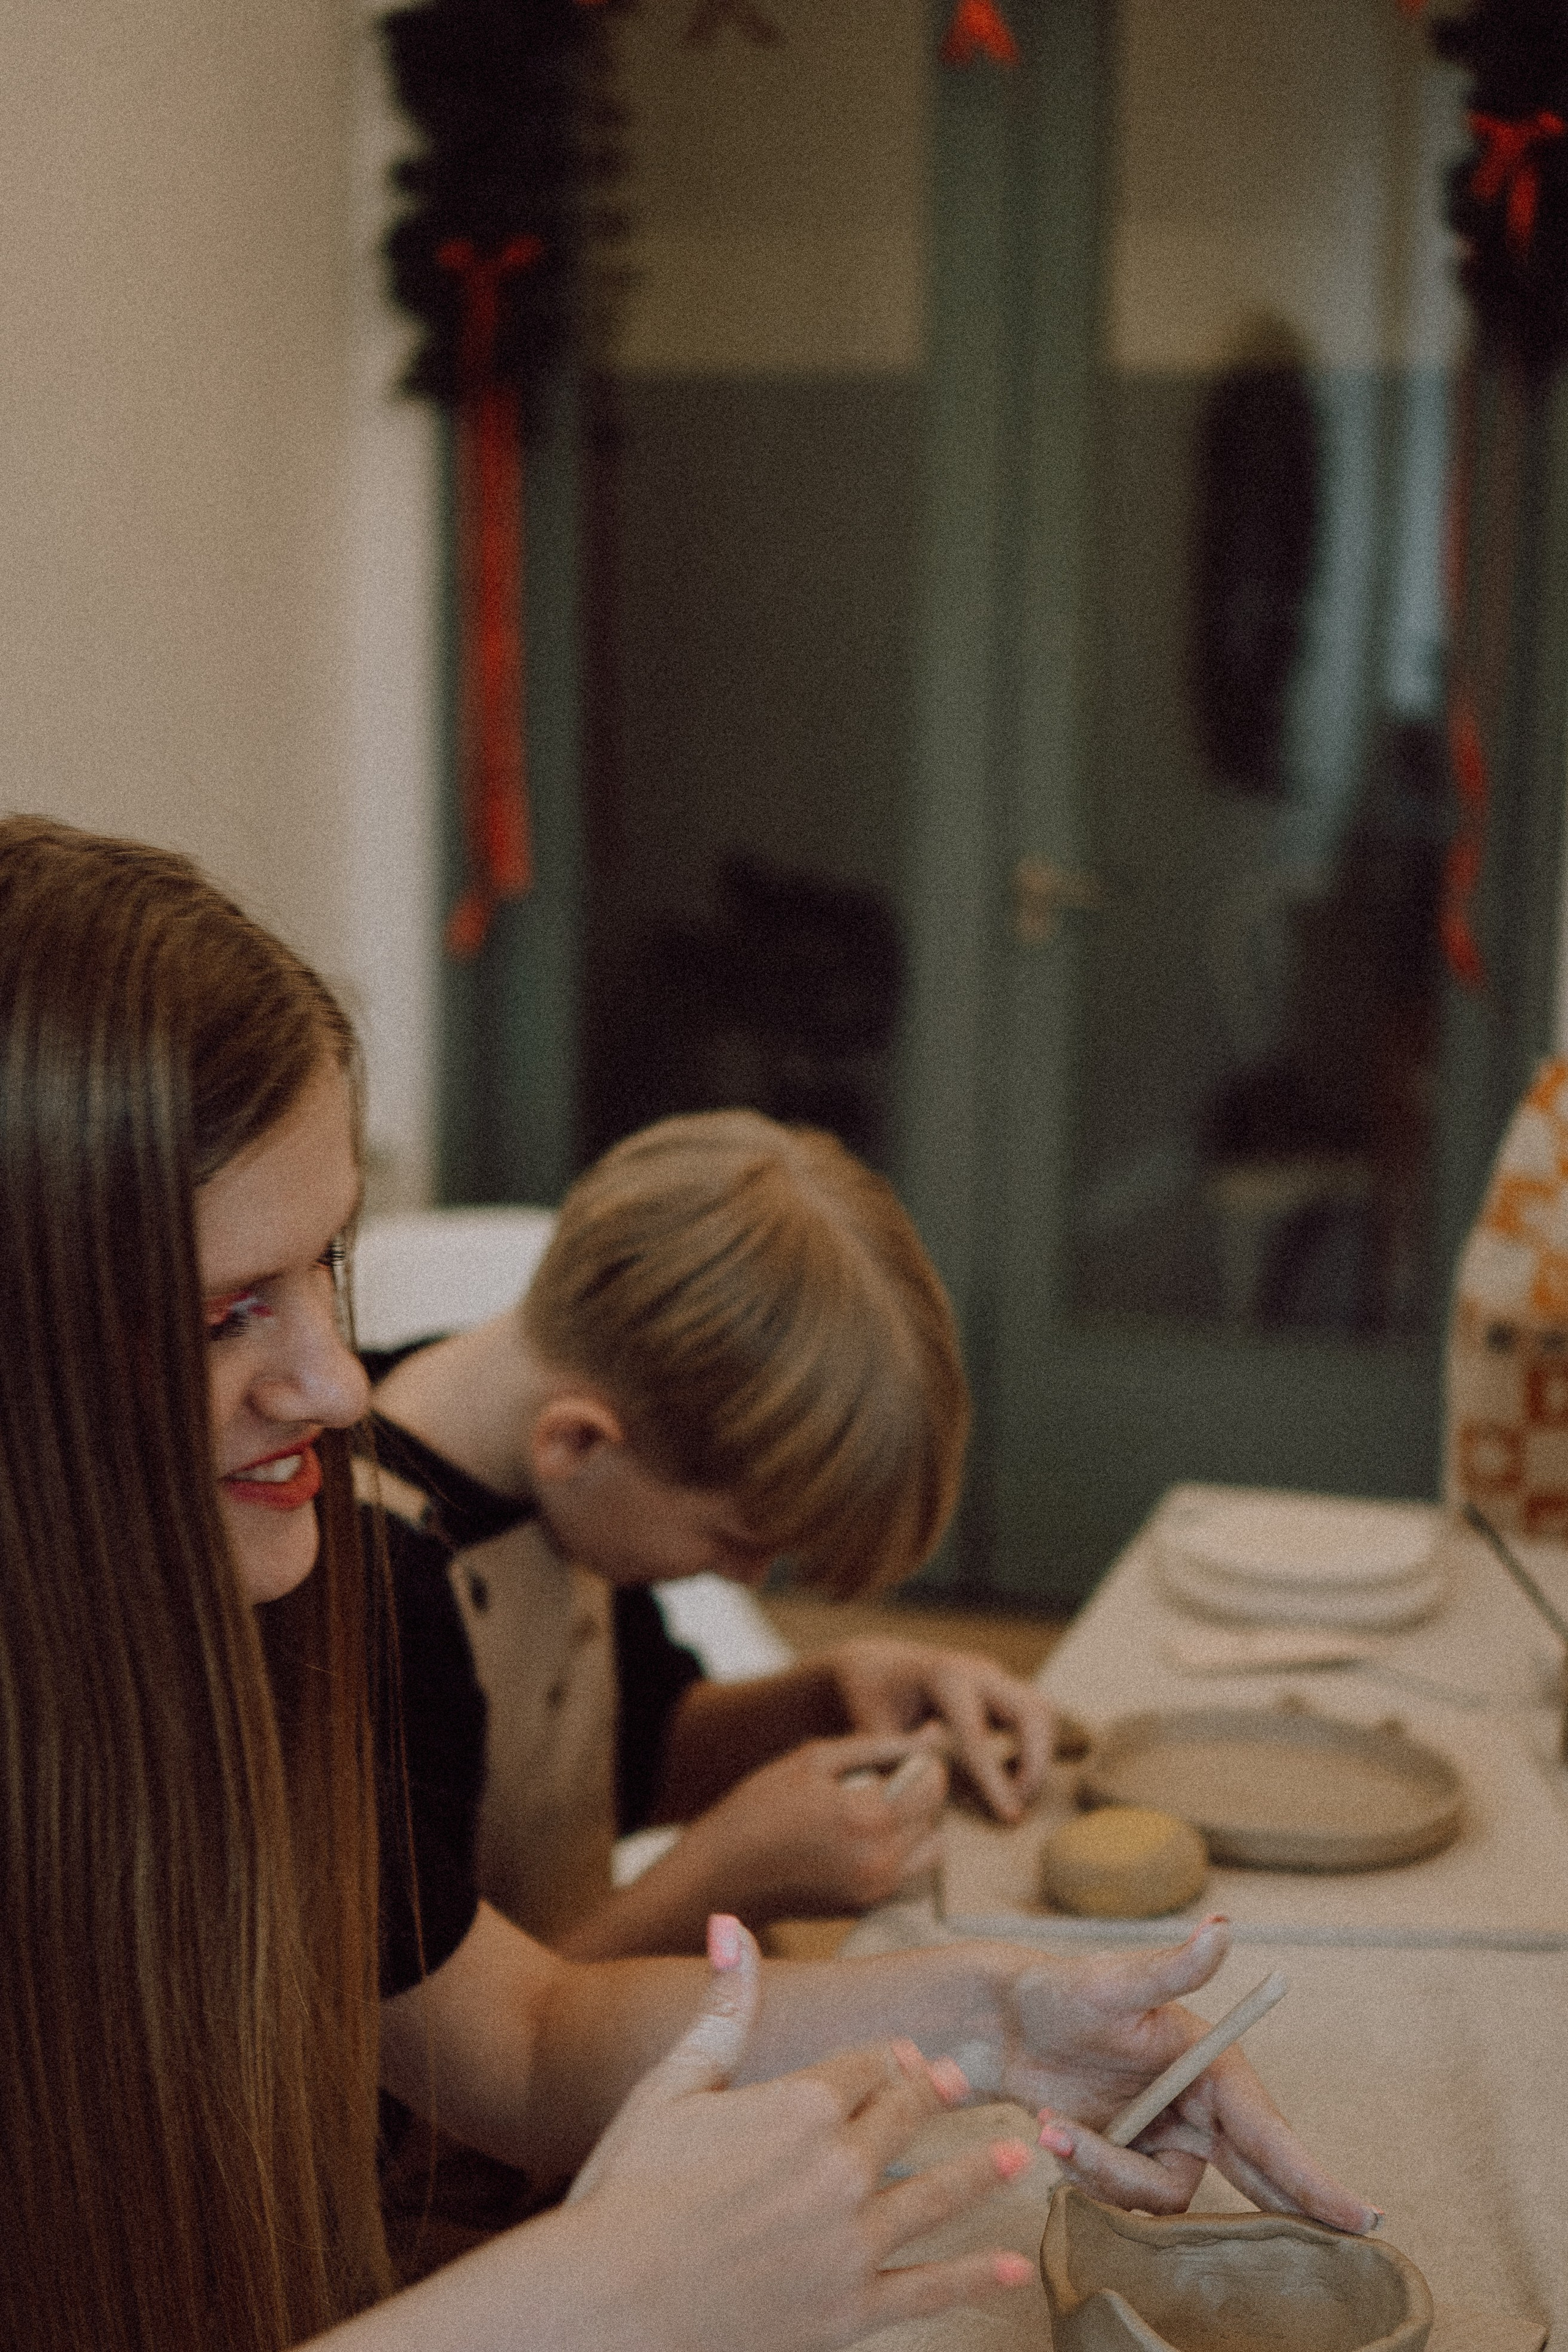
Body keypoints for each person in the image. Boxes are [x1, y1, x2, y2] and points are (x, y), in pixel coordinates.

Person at [0, 816, 1377, 2352]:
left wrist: (998, 2018)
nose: (332, 1386)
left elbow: (516, 2031)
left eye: (326, 1270)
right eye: (219, 1317)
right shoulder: (335, 1571)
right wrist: (586, 2300)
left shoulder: (265, 1589)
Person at [363, 1109, 1062, 1961]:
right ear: (577, 1442)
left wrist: (830, 1697)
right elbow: (465, 2061)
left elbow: (632, 1754)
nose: (747, 1579)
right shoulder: (368, 1595)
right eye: (736, 1538)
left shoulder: (562, 1478)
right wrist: (723, 1879)